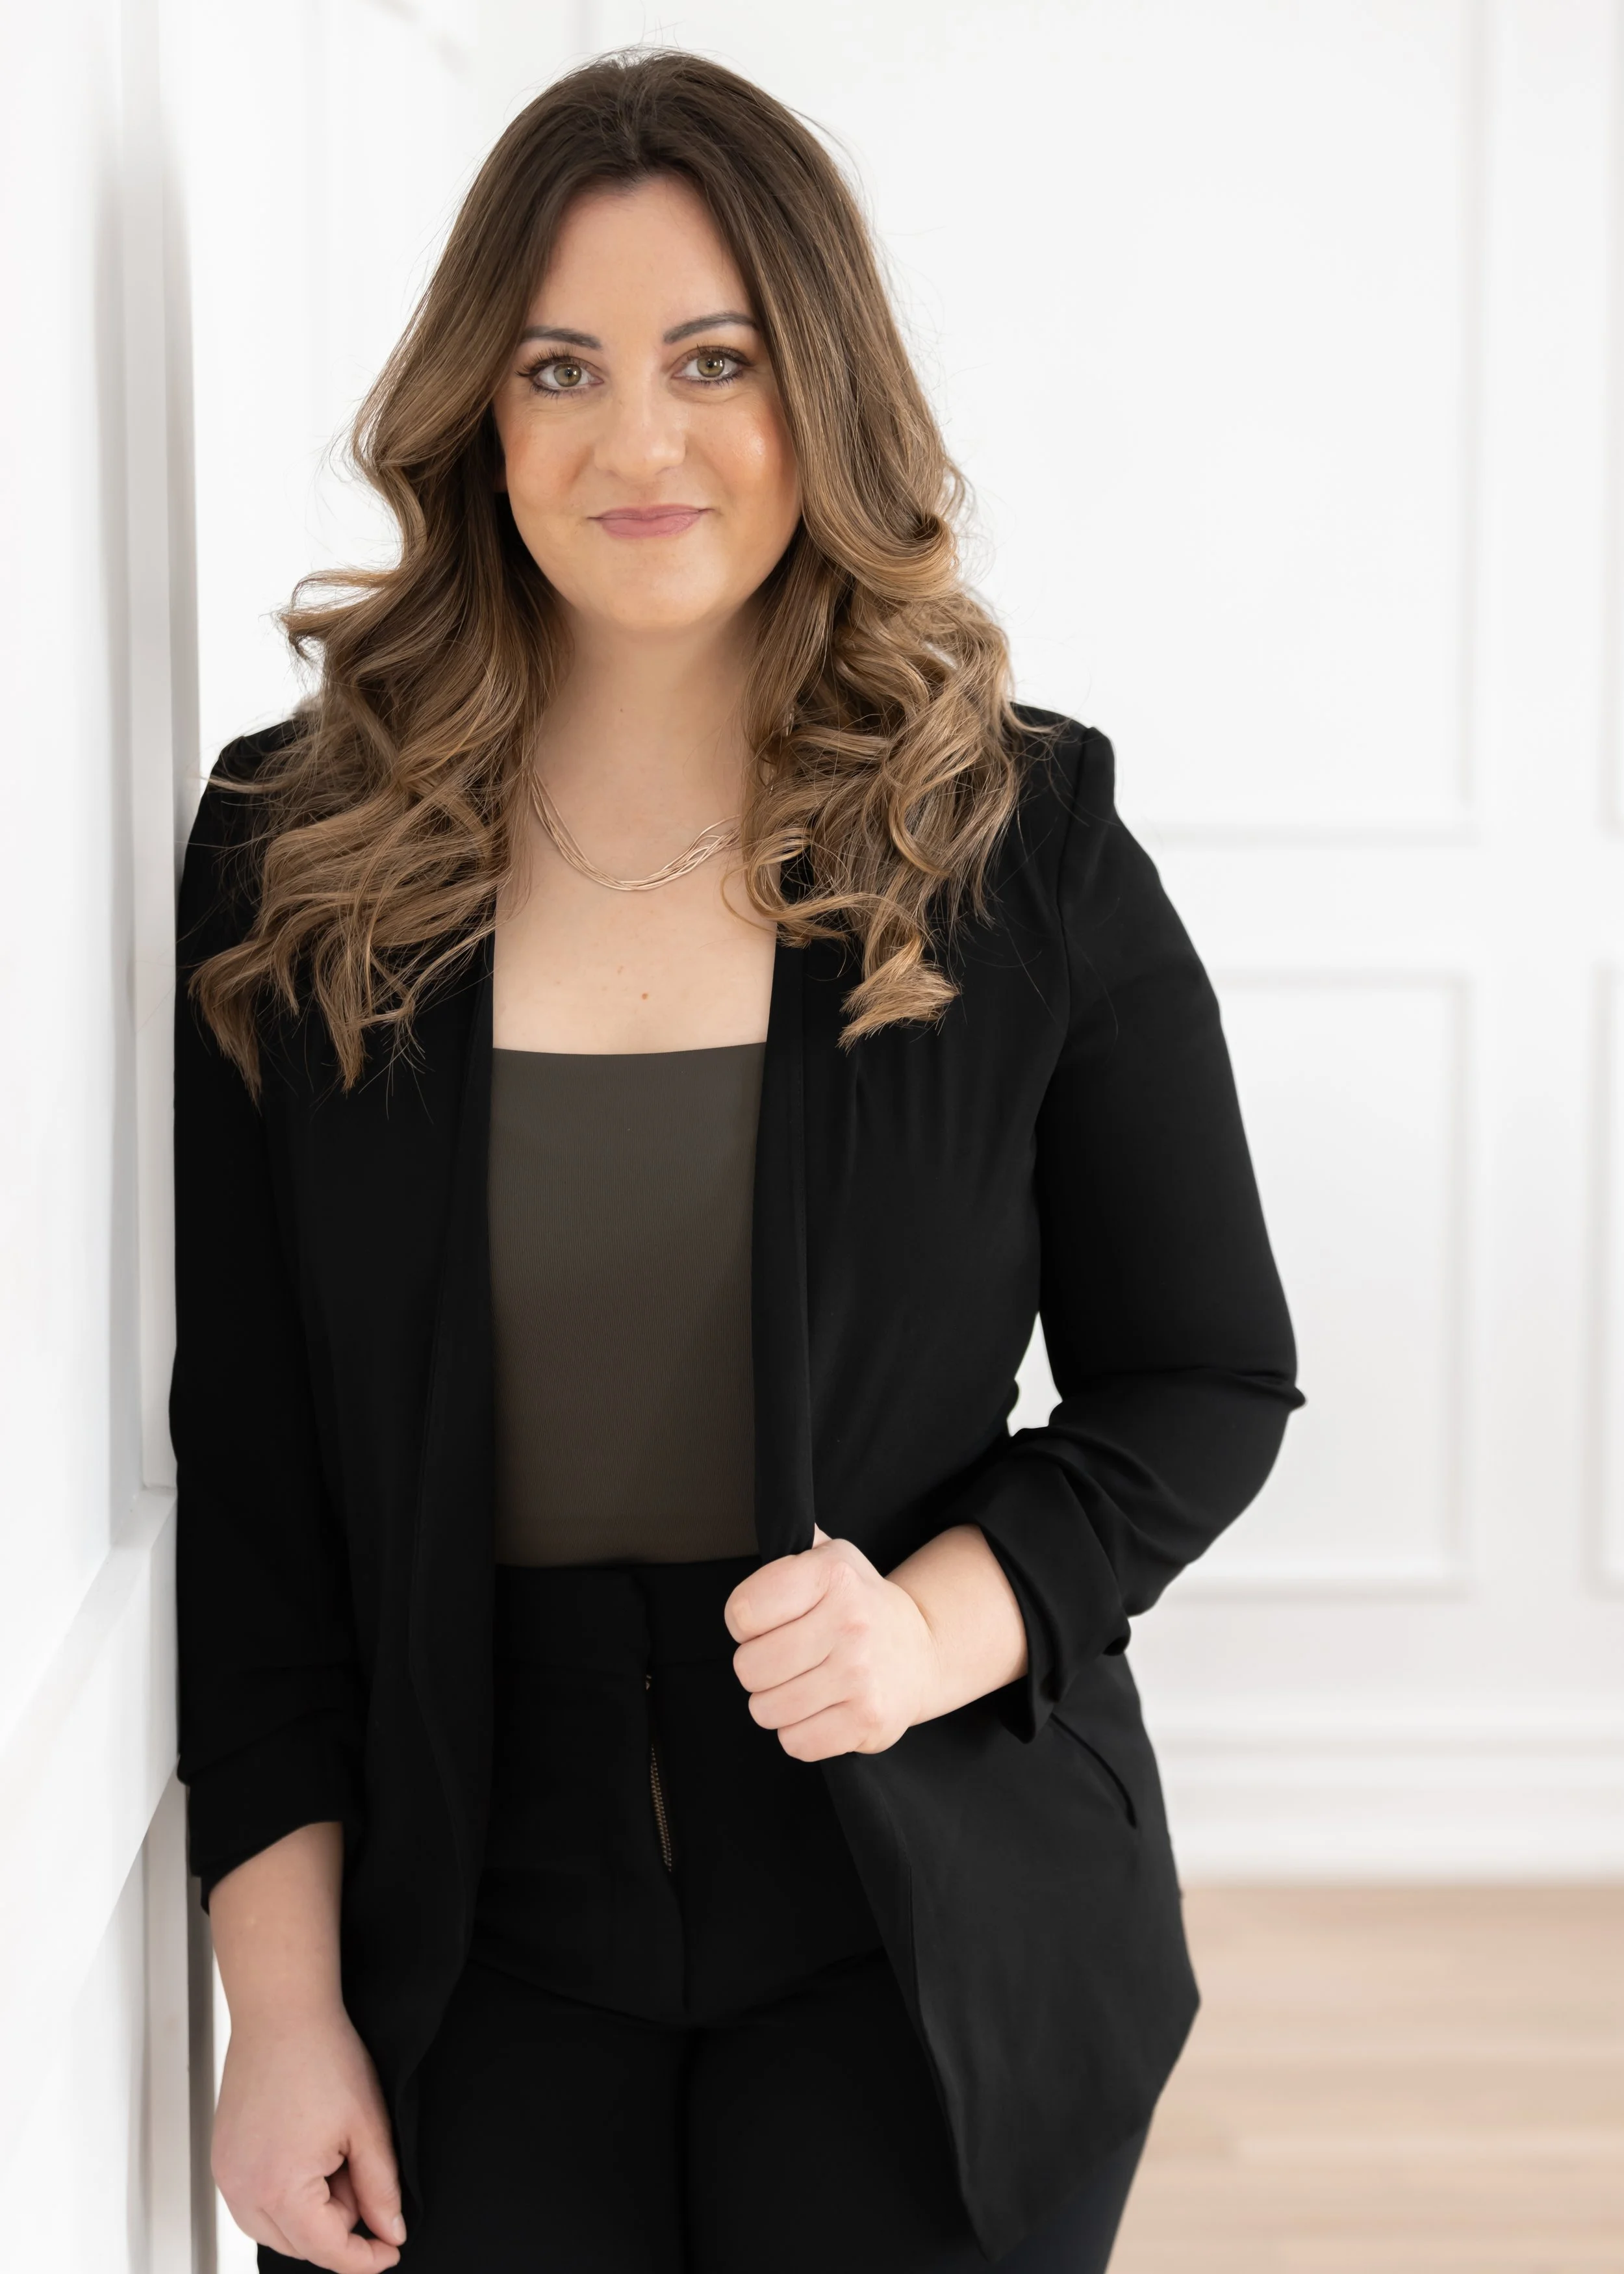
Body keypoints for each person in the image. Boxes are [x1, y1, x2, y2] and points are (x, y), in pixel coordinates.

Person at [172, 47, 1302, 2274]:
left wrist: (926, 1629)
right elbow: (264, 1486)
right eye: (559, 367)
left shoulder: (1018, 838)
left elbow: (1202, 1380)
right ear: (477, 421)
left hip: (918, 1939)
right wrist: (277, 2005)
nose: (637, 441)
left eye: (716, 361)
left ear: (826, 395)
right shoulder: (292, 856)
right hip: (466, 1950)